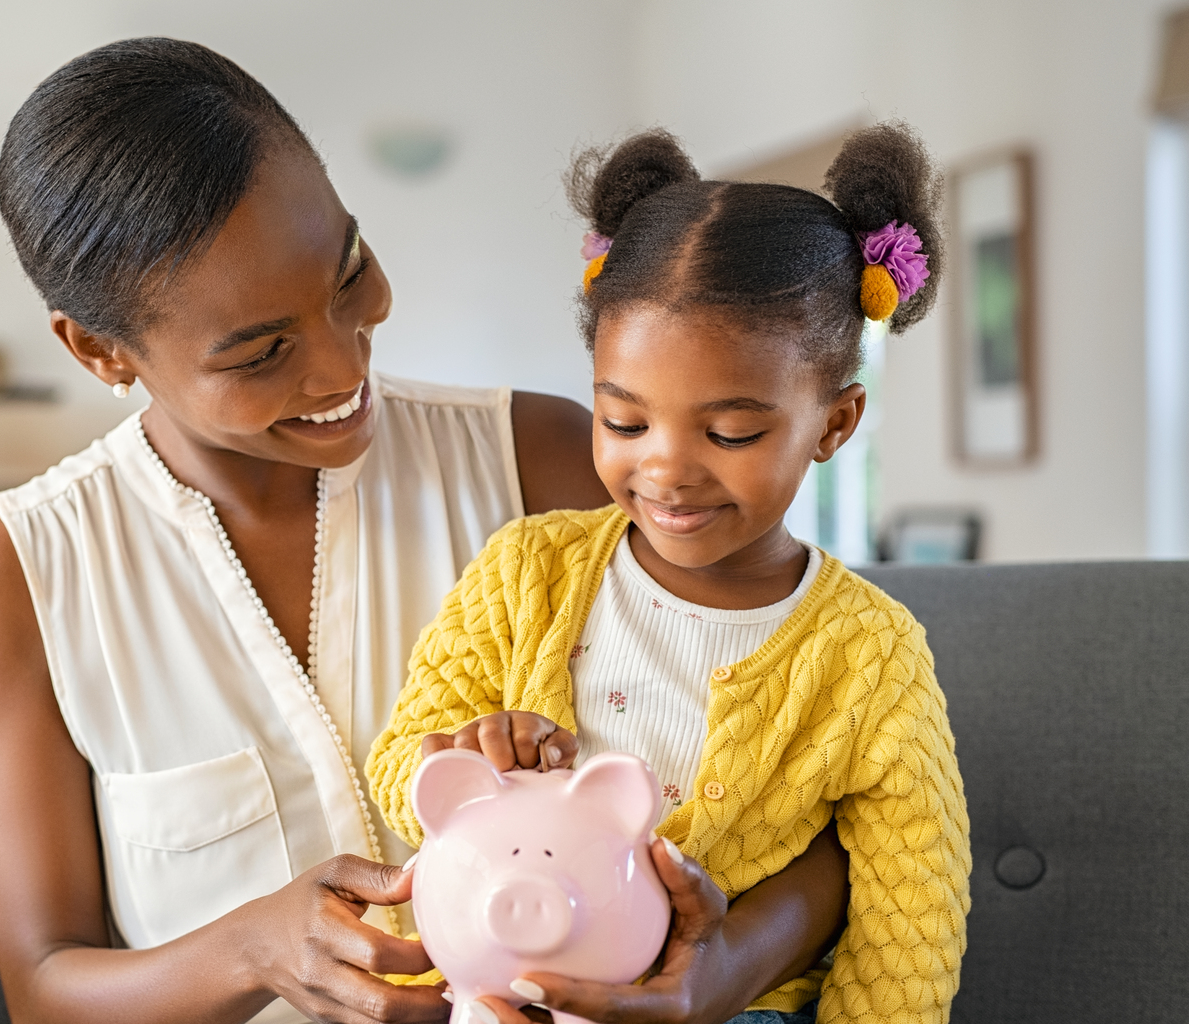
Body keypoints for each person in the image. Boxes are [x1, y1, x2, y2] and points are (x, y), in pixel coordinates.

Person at [0, 37, 852, 1024]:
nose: (342, 369)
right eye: (262, 351)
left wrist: (730, 967)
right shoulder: (21, 574)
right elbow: (43, 989)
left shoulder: (543, 463)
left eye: (350, 274)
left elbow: (838, 780)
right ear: (99, 351)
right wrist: (249, 947)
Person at [366, 125, 971, 1024]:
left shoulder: (871, 656)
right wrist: (470, 754)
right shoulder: (528, 569)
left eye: (729, 434)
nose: (667, 470)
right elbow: (399, 768)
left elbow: (910, 915)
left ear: (835, 425)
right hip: (492, 984)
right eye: (625, 422)